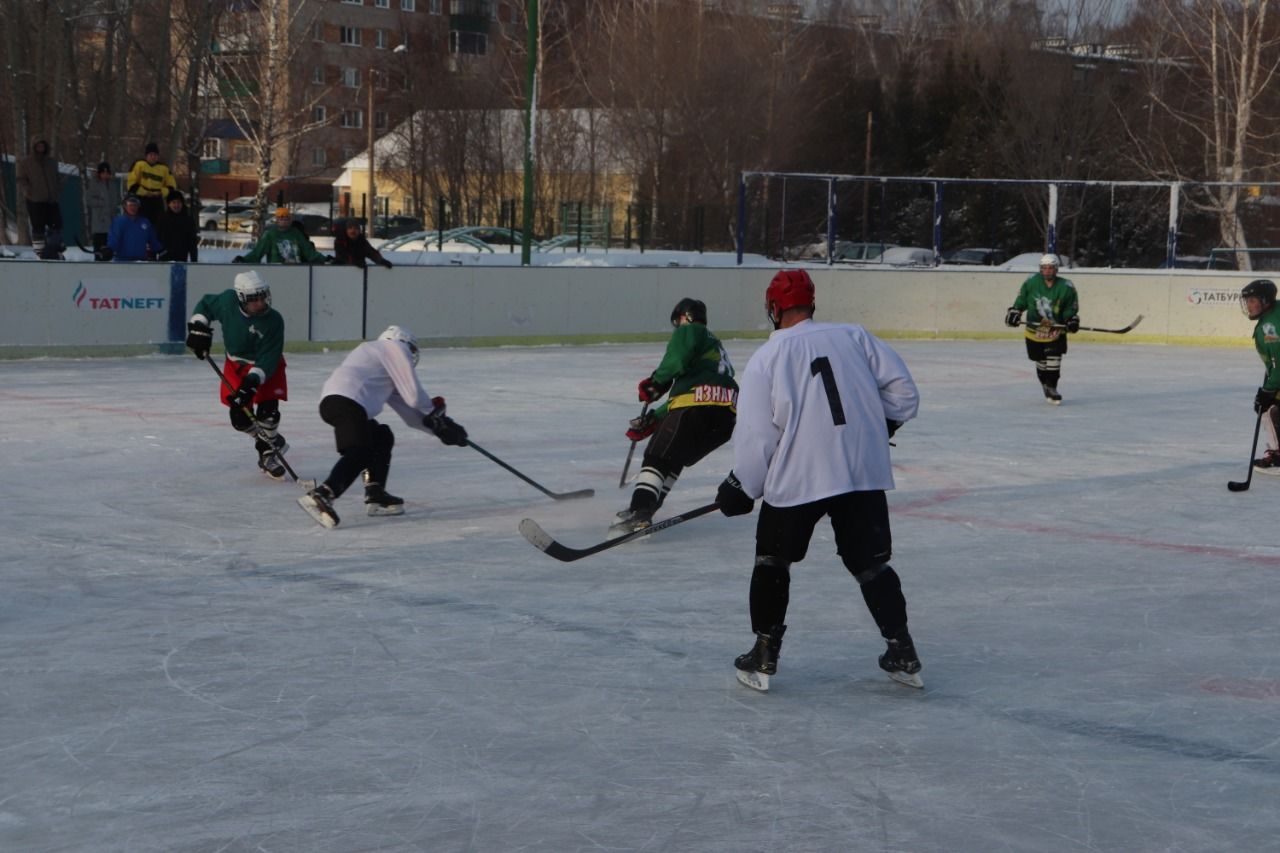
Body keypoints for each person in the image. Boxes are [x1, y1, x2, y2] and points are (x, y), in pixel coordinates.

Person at [716, 269, 922, 693]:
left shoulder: (766, 359)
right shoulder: (854, 335)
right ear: (812, 304)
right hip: (861, 471)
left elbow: (758, 435)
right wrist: (874, 428)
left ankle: (764, 654)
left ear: (772, 309)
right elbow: (904, 394)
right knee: (871, 564)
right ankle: (902, 649)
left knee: (773, 560)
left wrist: (742, 485)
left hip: (800, 474)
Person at [297, 326, 469, 528]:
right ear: (404, 344)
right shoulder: (393, 347)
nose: (410, 357)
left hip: (338, 403)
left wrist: (441, 431)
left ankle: (375, 494)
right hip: (346, 402)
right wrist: (436, 413)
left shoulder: (383, 367)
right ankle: (324, 494)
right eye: (411, 351)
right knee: (360, 450)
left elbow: (412, 415)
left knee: (381, 436)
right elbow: (415, 397)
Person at [611, 297, 739, 534]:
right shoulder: (714, 347)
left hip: (697, 407)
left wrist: (655, 383)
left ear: (685, 317)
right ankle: (646, 508)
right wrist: (655, 418)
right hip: (725, 418)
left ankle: (640, 510)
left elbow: (676, 362)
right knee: (673, 457)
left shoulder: (691, 330)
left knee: (657, 455)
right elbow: (692, 392)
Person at [185, 270, 290, 479]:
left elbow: (269, 357)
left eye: (263, 296)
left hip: (266, 368)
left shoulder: (274, 320)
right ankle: (269, 440)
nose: (261, 303)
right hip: (236, 366)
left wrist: (252, 382)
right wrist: (198, 328)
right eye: (254, 299)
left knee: (268, 413)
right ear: (241, 298)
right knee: (239, 419)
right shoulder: (227, 301)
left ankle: (267, 453)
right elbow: (206, 305)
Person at [1003, 254, 1080, 405]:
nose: (1047, 271)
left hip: (1055, 330)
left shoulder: (1066, 286)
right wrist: (1015, 312)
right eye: (1044, 268)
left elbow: (1070, 308)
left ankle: (1052, 387)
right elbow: (1021, 300)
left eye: (1050, 268)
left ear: (1056, 269)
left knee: (1054, 358)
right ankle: (1046, 384)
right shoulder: (1031, 282)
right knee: (1040, 360)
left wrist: (1071, 319)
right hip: (1034, 330)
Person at [1241, 279, 1280, 473]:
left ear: (1266, 301)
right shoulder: (1276, 310)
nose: (1249, 305)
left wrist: (1268, 391)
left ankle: (1277, 454)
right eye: (1247, 301)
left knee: (1267, 409)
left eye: (1253, 300)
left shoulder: (1269, 328)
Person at [234, 207, 331, 265]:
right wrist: (244, 259)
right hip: (277, 270)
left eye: (287, 218)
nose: (284, 220)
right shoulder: (271, 234)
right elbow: (257, 252)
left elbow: (309, 252)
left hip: (297, 271)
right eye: (281, 218)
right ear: (276, 220)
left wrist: (325, 259)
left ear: (290, 220)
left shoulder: (296, 233)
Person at [17, 138, 62, 253]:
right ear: (34, 147)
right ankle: (40, 250)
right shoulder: (26, 162)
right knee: (38, 227)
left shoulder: (51, 162)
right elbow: (21, 179)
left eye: (42, 146)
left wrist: (57, 189)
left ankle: (54, 247)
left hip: (51, 199)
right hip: (35, 199)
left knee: (56, 224)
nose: (41, 148)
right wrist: (27, 190)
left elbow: (57, 177)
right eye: (38, 146)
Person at [126, 142, 178, 226]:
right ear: (146, 155)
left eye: (155, 155)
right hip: (142, 201)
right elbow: (131, 184)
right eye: (150, 154)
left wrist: (162, 192)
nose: (153, 157)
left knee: (158, 225)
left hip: (157, 201)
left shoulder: (164, 169)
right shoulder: (139, 165)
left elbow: (172, 186)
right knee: (142, 224)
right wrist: (145, 193)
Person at [106, 195, 163, 262]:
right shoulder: (119, 222)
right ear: (125, 206)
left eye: (135, 205)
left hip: (141, 261)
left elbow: (153, 239)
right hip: (122, 261)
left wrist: (160, 250)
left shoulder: (145, 222)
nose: (133, 208)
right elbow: (114, 239)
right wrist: (109, 249)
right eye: (130, 205)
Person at [84, 161, 116, 261]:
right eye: (103, 173)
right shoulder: (94, 184)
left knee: (109, 248)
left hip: (110, 221)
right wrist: (100, 203)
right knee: (99, 247)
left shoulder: (112, 185)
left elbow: (115, 200)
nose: (105, 175)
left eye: (107, 173)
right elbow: (88, 199)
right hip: (99, 221)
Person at [156, 189, 199, 262]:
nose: (176, 205)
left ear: (182, 204)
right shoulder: (162, 219)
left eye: (179, 202)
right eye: (174, 202)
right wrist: (160, 252)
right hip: (164, 257)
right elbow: (156, 238)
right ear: (169, 204)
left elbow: (192, 242)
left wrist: (194, 259)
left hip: (181, 257)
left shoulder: (188, 220)